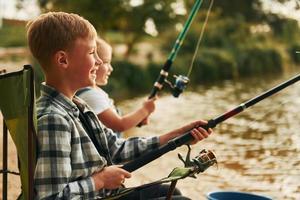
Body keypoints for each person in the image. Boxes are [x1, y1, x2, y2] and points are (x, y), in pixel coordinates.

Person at [27, 11, 213, 200]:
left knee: (167, 192)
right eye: (92, 52)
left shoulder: (78, 105)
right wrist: (100, 180)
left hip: (106, 194)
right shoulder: (54, 119)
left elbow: (116, 149)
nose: (99, 61)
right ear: (62, 60)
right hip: (98, 194)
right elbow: (50, 197)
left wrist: (177, 135)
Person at [76, 38, 153, 135]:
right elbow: (119, 125)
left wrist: (137, 120)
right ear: (93, 63)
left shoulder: (95, 91)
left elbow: (112, 120)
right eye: (106, 62)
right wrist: (145, 110)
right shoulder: (90, 95)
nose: (111, 69)